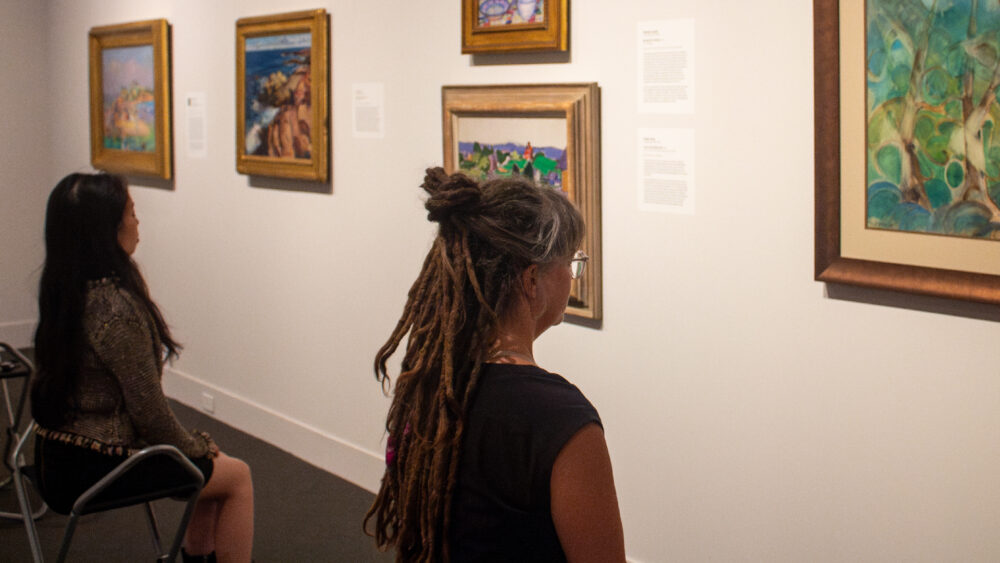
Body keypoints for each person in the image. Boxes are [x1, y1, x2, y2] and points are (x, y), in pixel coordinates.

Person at [364, 168, 625, 562]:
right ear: (532, 279)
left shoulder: (433, 383)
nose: (573, 276)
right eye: (570, 263)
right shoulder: (561, 419)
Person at [31, 172, 254, 563]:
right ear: (107, 229)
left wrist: (195, 453)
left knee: (208, 473)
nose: (137, 222)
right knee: (236, 477)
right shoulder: (115, 310)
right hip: (96, 466)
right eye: (131, 213)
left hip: (55, 459)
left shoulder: (66, 290)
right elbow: (149, 412)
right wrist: (193, 446)